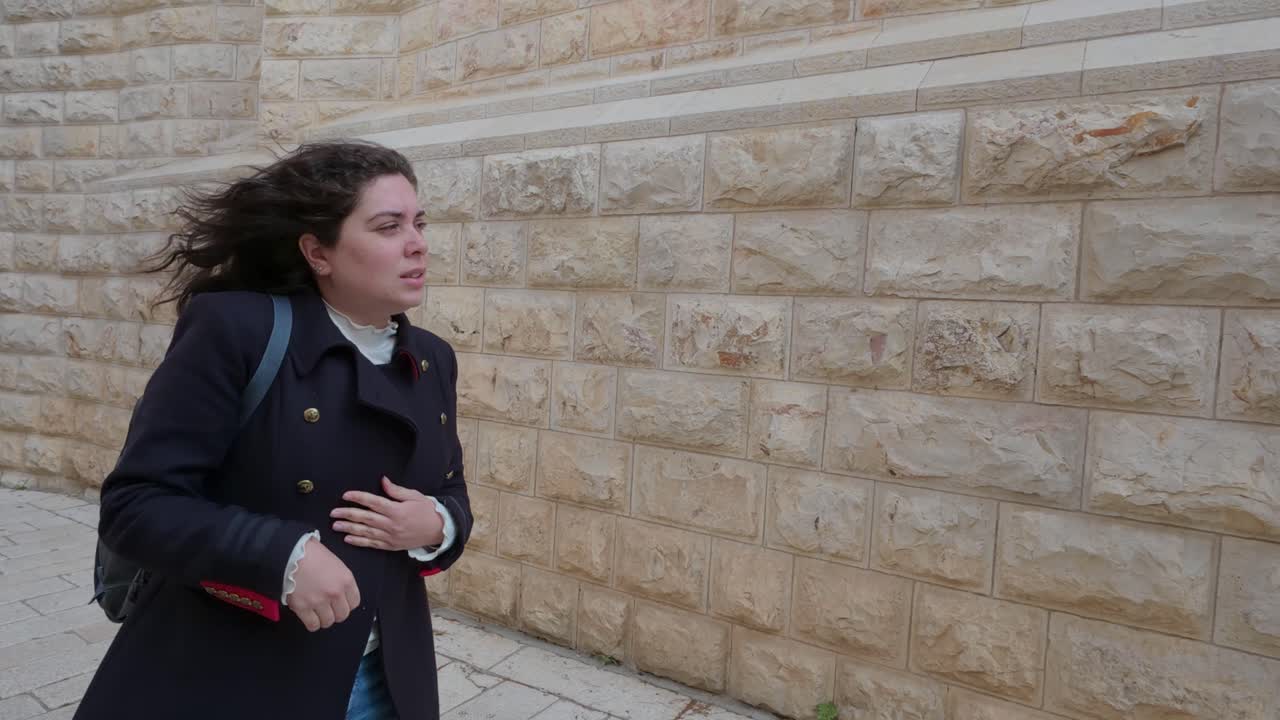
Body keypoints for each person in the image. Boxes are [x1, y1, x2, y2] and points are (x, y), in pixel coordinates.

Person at [74, 140, 473, 720]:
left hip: (385, 677)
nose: (417, 244)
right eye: (388, 227)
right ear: (319, 252)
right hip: (236, 671)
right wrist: (282, 556)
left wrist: (436, 523)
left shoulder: (432, 358)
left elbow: (453, 491)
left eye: (419, 222)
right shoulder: (239, 330)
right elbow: (136, 505)